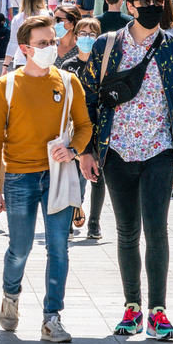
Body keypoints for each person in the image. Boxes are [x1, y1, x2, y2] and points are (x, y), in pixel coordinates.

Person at [79, 0, 173, 341]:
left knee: (157, 229)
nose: (151, 7)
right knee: (127, 232)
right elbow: (87, 97)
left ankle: (158, 312)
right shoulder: (107, 45)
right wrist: (86, 150)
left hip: (160, 151)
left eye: (157, 1)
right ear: (130, 5)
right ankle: (132, 307)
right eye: (144, 2)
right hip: (117, 151)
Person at [0, 15, 93, 342]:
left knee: (59, 248)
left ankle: (52, 317)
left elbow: (85, 126)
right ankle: (11, 295)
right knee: (20, 247)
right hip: (19, 177)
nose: (51, 46)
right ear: (25, 48)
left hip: (58, 176)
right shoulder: (8, 85)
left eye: (53, 40)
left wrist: (73, 149)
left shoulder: (67, 81)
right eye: (43, 43)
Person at [59, 17, 106, 239]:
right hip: (74, 127)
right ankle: (70, 216)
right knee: (74, 175)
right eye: (83, 34)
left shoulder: (104, 64)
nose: (87, 39)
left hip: (100, 126)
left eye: (92, 34)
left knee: (98, 174)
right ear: (76, 38)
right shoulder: (68, 66)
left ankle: (94, 223)